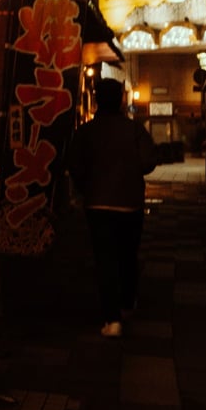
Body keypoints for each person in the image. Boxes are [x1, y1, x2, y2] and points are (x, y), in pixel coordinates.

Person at [65, 78, 156, 338]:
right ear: (120, 100)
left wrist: (86, 188)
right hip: (130, 203)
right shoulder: (134, 129)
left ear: (96, 100)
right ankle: (127, 303)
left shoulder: (86, 132)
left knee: (105, 260)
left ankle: (111, 318)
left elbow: (75, 166)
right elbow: (149, 161)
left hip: (97, 204)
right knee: (128, 255)